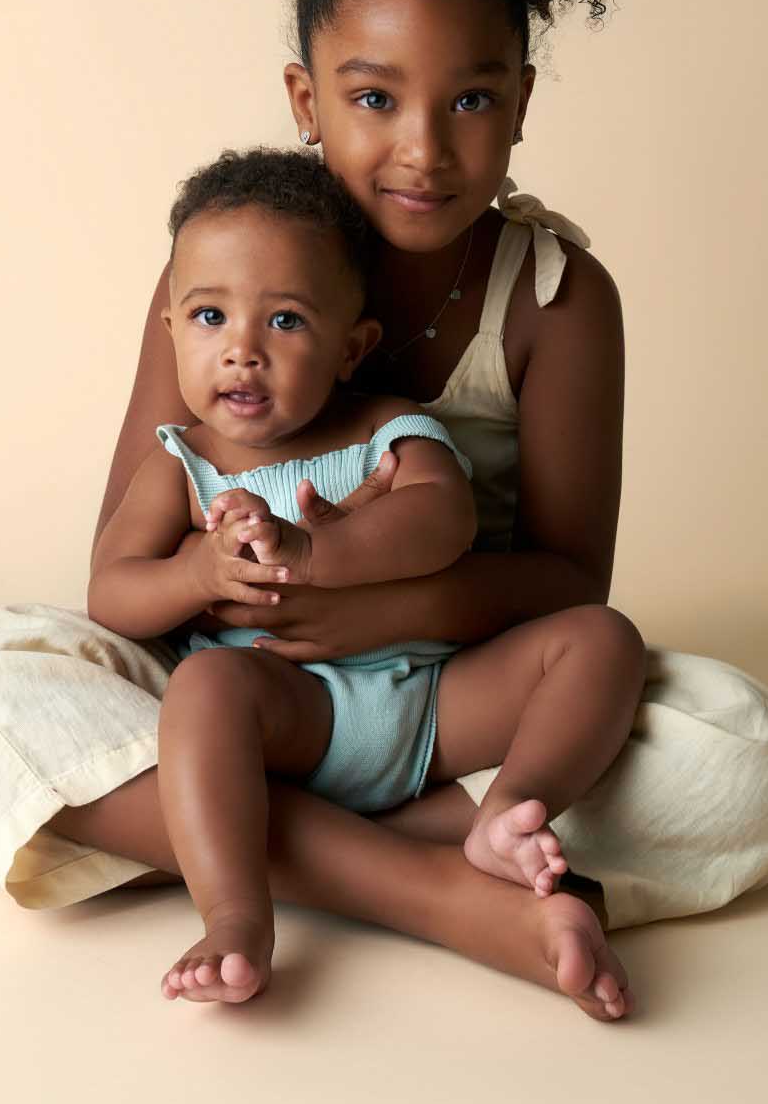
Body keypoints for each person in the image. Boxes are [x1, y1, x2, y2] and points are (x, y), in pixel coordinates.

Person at [0, 0, 768, 1023]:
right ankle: (435, 885)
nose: (422, 149)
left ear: (521, 102)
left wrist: (383, 602)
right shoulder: (218, 276)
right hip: (243, 688)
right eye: (375, 97)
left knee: (755, 757)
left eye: (471, 100)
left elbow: (570, 582)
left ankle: (275, 832)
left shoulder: (555, 299)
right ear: (307, 100)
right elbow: (126, 557)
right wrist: (229, 582)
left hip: (451, 698)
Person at [91, 147, 645, 1012]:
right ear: (171, 328)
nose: (242, 351)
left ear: (352, 347)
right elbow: (110, 594)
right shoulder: (182, 465)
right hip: (289, 715)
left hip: (432, 702)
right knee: (201, 689)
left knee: (603, 642)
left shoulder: (388, 426)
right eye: (209, 316)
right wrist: (198, 571)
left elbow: (444, 515)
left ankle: (508, 811)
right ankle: (237, 913)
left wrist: (320, 552)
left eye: (284, 321)